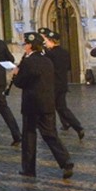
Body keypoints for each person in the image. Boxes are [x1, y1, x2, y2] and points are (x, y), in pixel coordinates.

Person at [14, 32, 74, 179]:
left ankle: (29, 169)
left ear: (29, 45)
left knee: (29, 136)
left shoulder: (28, 62)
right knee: (50, 134)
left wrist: (16, 73)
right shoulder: (47, 61)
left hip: (31, 104)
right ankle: (65, 160)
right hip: (47, 103)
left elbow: (20, 83)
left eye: (25, 44)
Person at [42, 29, 84, 140]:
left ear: (51, 41)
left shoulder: (49, 54)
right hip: (62, 84)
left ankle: (50, 130)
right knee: (62, 108)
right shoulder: (65, 52)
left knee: (51, 108)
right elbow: (69, 67)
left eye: (46, 41)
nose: (45, 43)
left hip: (52, 85)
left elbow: (45, 69)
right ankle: (77, 126)